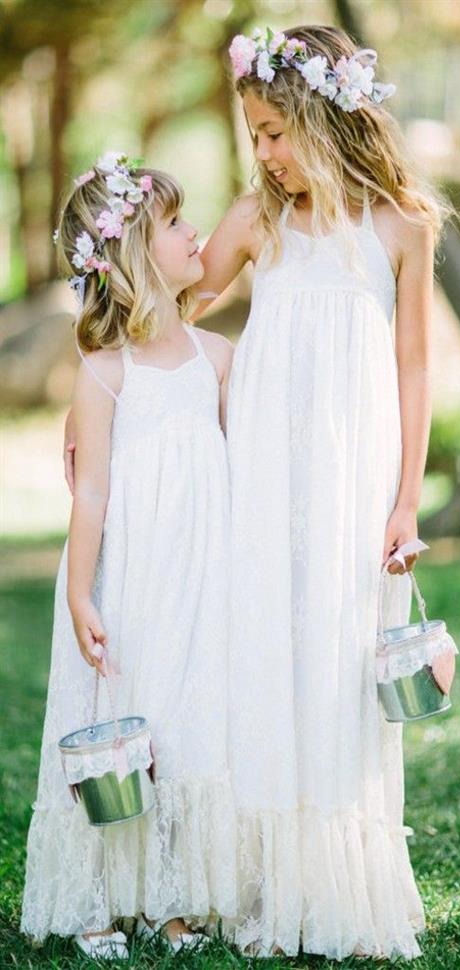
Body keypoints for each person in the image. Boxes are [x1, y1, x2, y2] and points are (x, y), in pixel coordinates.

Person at [195, 25, 450, 958]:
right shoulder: (261, 219)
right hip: (264, 468)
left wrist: (405, 500)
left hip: (353, 470)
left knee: (339, 654)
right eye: (252, 135)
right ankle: (267, 871)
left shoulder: (399, 226)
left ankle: (338, 877)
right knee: (270, 639)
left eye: (273, 133)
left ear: (321, 118)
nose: (262, 153)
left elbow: (414, 367)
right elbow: (178, 304)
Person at [23, 154, 236, 958]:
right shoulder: (104, 374)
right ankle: (100, 896)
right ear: (135, 255)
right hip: (131, 583)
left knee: (184, 726)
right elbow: (95, 496)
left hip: (200, 580)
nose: (196, 235)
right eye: (177, 225)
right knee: (121, 728)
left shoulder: (217, 359)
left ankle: (172, 898)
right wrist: (81, 594)